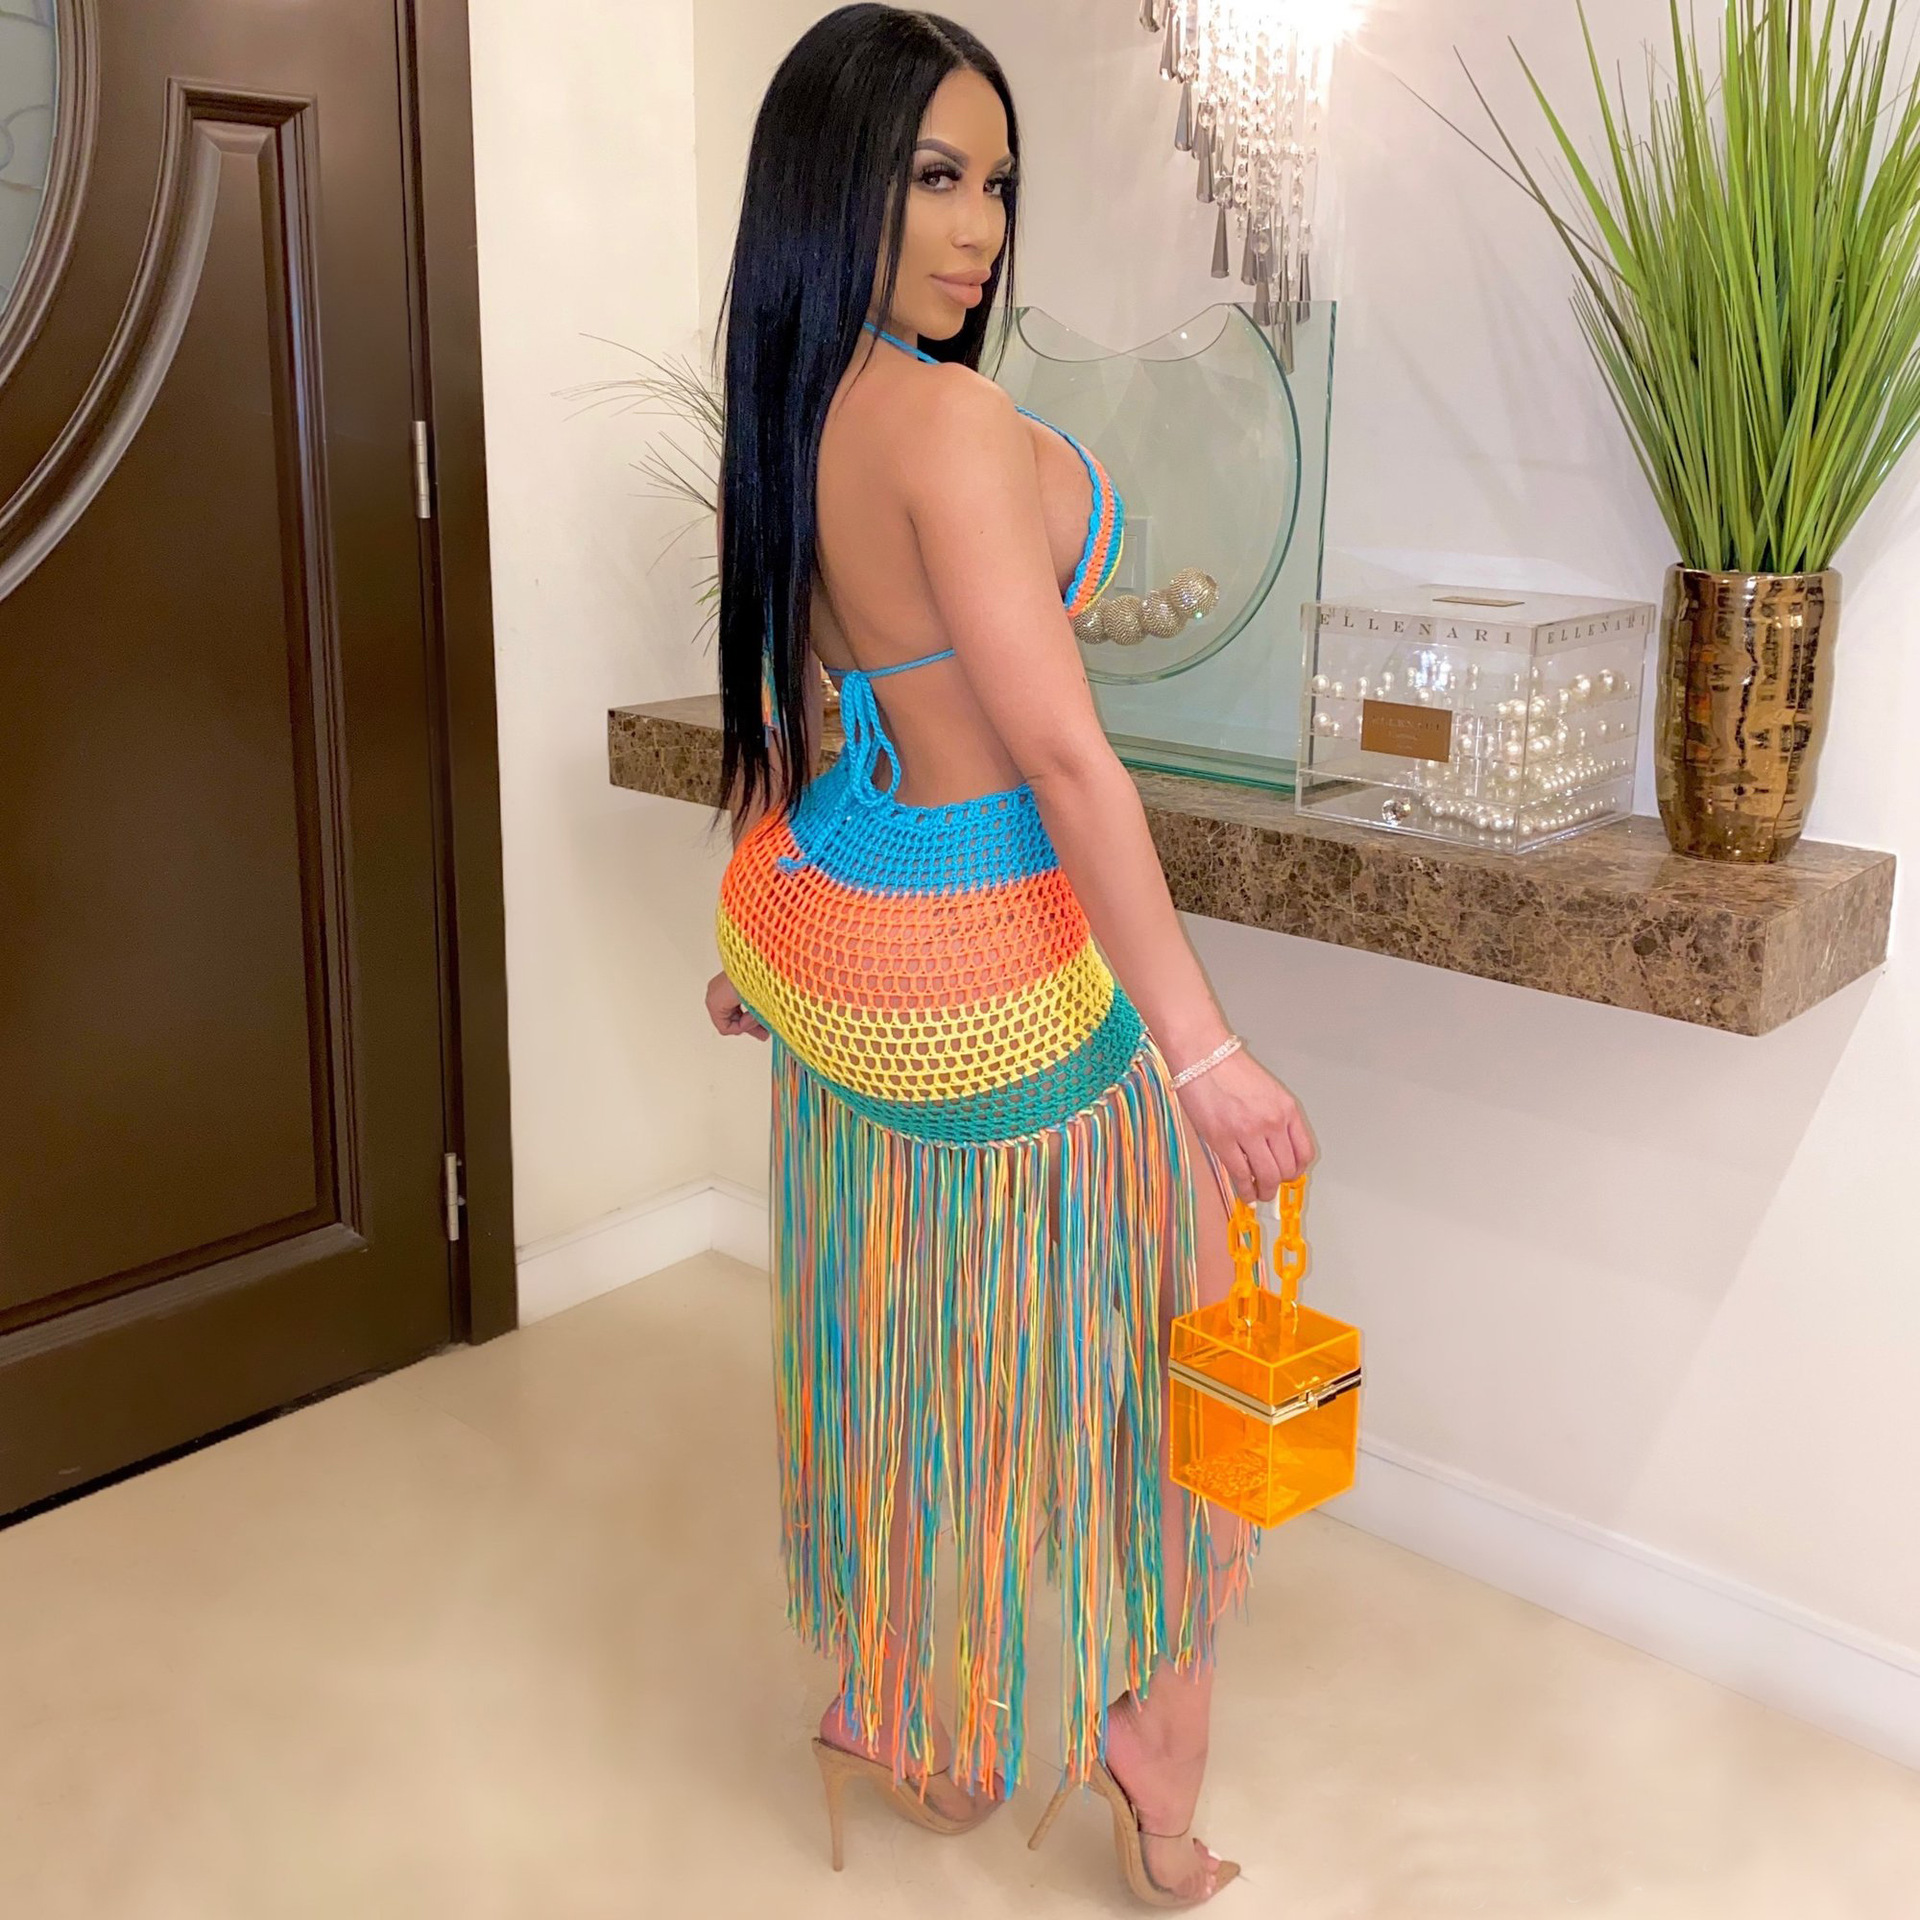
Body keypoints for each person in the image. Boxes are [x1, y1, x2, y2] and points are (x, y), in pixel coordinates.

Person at [703, 6, 1315, 1906]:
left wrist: (767, 955)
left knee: (911, 1336)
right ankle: (1154, 1752)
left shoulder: (794, 403)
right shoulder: (952, 423)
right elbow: (1062, 759)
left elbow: (797, 709)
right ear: (836, 184)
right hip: (999, 978)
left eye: (997, 182)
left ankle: (912, 1700)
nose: (977, 228)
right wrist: (1204, 1053)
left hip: (858, 957)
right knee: (1157, 1368)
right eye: (934, 176)